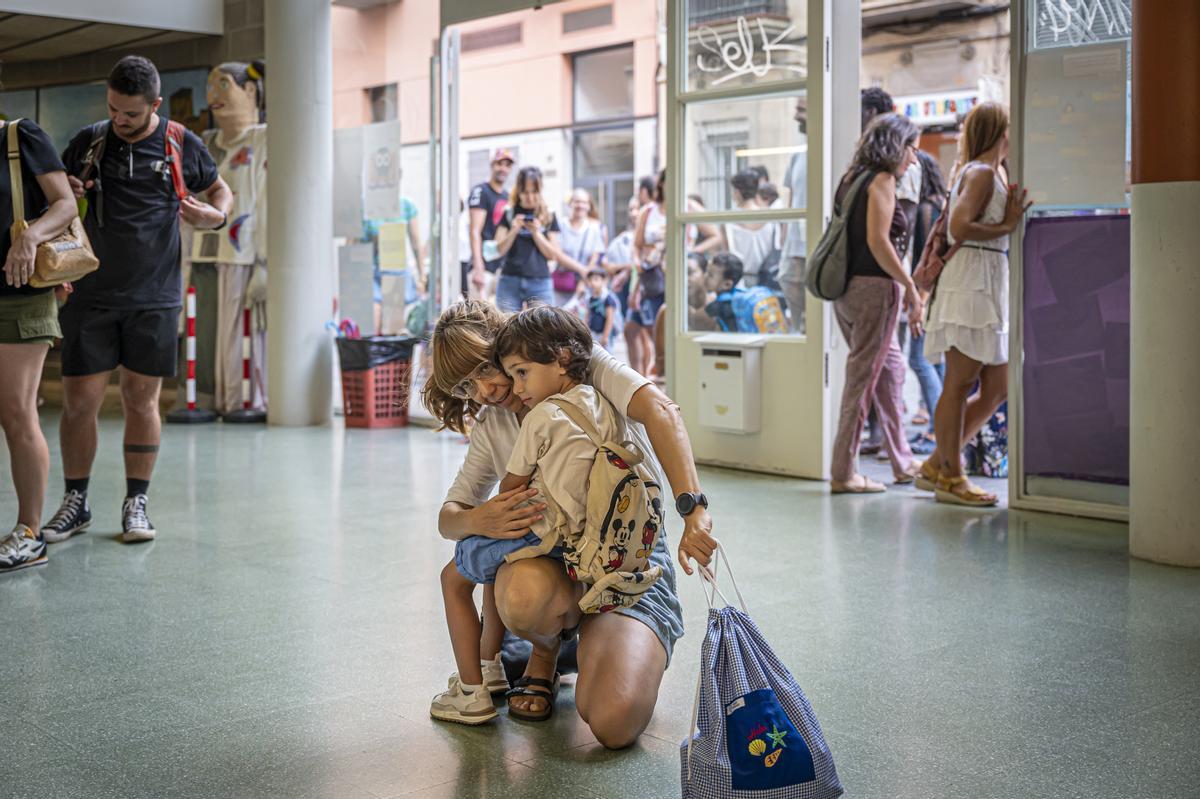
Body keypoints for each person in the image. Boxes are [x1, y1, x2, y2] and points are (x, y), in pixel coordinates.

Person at [422, 300, 717, 747]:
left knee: (612, 721)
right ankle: (544, 653)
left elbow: (661, 411)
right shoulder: (494, 422)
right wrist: (480, 517)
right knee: (520, 591)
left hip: (624, 559)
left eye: (489, 368)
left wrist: (693, 511)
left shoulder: (575, 362)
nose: (484, 390)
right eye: (467, 385)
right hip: (557, 560)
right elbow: (451, 516)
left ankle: (589, 642)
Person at [42, 56, 232, 544]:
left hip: (155, 296)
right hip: (91, 294)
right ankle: (75, 501)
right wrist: (73, 192)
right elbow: (56, 199)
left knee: (139, 399)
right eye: (113, 109)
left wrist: (216, 216)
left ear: (155, 105)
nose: (120, 120)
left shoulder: (179, 142)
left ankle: (136, 502)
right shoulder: (90, 140)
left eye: (130, 113)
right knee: (80, 401)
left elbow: (219, 189)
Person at [920, 102, 1032, 506]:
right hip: (971, 282)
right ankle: (951, 476)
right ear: (1001, 132)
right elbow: (959, 225)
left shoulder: (989, 171)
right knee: (960, 381)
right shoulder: (983, 172)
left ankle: (938, 462)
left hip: (985, 280)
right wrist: (1007, 225)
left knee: (997, 386)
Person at [828, 113, 923, 494]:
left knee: (890, 371)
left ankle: (902, 460)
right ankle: (842, 473)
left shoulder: (850, 179)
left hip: (846, 291)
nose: (914, 159)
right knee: (862, 381)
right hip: (874, 292)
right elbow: (880, 242)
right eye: (912, 148)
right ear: (897, 145)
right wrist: (911, 286)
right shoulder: (881, 180)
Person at [0, 118, 77, 573]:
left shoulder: (19, 136)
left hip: (20, 297)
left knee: (16, 411)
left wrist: (30, 237)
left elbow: (64, 204)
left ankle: (30, 534)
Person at [187, 60, 269, 414]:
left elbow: (266, 202)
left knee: (239, 334)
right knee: (201, 333)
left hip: (242, 252)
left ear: (250, 91)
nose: (212, 96)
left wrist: (265, 260)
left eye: (223, 85)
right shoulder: (204, 143)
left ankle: (240, 400)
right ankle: (205, 398)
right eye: (209, 87)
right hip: (202, 251)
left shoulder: (263, 139)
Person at [907, 149, 949, 454]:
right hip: (940, 292)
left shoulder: (925, 209)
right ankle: (940, 429)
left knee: (919, 359)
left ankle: (938, 431)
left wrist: (919, 300)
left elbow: (927, 258)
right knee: (935, 361)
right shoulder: (941, 204)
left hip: (928, 293)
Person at [494, 166, 560, 312]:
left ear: (540, 190)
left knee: (544, 330)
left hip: (540, 281)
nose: (530, 197)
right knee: (507, 329)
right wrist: (514, 229)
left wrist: (537, 233)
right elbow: (498, 249)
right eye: (525, 192)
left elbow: (553, 255)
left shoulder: (548, 215)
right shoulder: (509, 213)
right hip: (509, 280)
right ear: (519, 191)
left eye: (534, 192)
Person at [364, 196, 425, 334]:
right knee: (372, 325)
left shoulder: (406, 206)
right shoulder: (366, 206)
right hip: (372, 271)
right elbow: (354, 243)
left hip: (395, 271)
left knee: (393, 331)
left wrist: (422, 277)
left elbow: (416, 243)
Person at [626, 170, 667, 377]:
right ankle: (641, 378)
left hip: (670, 278)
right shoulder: (649, 211)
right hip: (649, 277)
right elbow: (637, 248)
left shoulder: (687, 207)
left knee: (656, 332)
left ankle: (656, 374)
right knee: (636, 329)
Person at [467, 148, 513, 298]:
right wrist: (478, 267)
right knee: (479, 319)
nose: (503, 169)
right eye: (500, 164)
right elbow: (474, 231)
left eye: (507, 165)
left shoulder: (508, 196)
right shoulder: (481, 191)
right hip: (483, 267)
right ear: (492, 165)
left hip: (502, 268)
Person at [723, 169, 779, 289]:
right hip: (766, 283)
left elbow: (726, 255)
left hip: (737, 284)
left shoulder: (728, 221)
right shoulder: (770, 219)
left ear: (737, 192)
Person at [780, 96, 808, 333]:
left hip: (816, 250)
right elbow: (790, 201)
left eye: (801, 109)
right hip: (794, 250)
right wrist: (785, 241)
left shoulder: (831, 155)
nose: (796, 116)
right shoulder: (798, 157)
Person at [554, 188, 605, 306]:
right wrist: (582, 270)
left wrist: (583, 281)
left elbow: (595, 257)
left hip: (584, 286)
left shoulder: (594, 229)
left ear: (589, 206)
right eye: (577, 201)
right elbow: (557, 254)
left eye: (584, 202)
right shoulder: (560, 225)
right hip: (562, 285)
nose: (580, 205)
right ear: (570, 203)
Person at [602, 196, 640, 316]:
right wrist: (627, 268)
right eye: (631, 209)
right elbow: (606, 265)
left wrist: (626, 271)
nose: (634, 213)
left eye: (638, 208)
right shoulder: (623, 239)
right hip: (623, 294)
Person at [702, 253, 747, 333]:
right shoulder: (737, 295)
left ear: (727, 284)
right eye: (706, 271)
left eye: (710, 275)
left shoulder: (718, 306)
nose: (705, 276)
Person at [585, 267, 620, 350]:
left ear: (604, 281)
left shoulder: (607, 298)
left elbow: (610, 318)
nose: (593, 283)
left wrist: (606, 336)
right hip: (593, 332)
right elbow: (588, 314)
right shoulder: (590, 298)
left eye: (596, 280)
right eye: (590, 280)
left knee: (606, 356)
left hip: (603, 333)